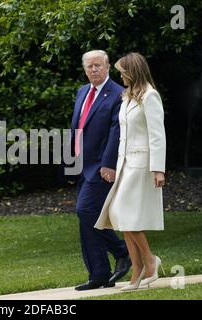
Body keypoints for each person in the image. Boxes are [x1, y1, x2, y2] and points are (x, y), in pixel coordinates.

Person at [94, 52, 167, 291]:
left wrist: (158, 169)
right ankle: (137, 272)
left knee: (125, 214)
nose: (120, 76)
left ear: (132, 71)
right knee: (120, 215)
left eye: (122, 72)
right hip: (127, 165)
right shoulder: (127, 97)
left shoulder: (150, 96)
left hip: (143, 166)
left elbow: (157, 135)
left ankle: (150, 261)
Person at [71, 50, 131, 291]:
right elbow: (77, 128)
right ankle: (98, 274)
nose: (93, 70)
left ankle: (122, 251)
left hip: (101, 167)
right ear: (85, 69)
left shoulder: (118, 94)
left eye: (98, 65)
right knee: (87, 218)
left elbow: (116, 133)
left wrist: (109, 165)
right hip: (82, 166)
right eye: (89, 66)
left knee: (85, 210)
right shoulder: (82, 92)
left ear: (107, 67)